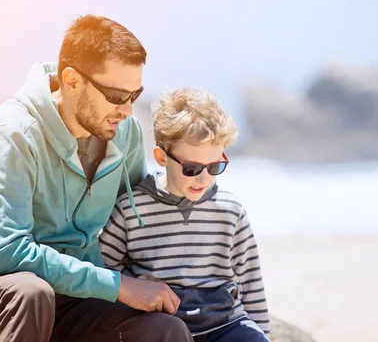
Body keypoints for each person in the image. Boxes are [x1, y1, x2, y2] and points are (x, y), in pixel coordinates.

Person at [0, 15, 193, 342]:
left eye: (134, 95)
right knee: (32, 293)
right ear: (72, 81)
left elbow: (135, 222)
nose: (128, 110)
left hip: (73, 296)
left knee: (165, 329)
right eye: (117, 95)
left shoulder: (125, 134)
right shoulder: (14, 135)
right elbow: (10, 255)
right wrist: (117, 286)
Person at [100, 87, 271, 342]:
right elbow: (105, 270)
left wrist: (262, 335)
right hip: (161, 327)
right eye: (191, 168)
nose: (204, 178)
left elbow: (251, 282)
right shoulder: (131, 208)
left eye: (214, 166)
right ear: (161, 157)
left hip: (225, 325)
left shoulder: (230, 210)